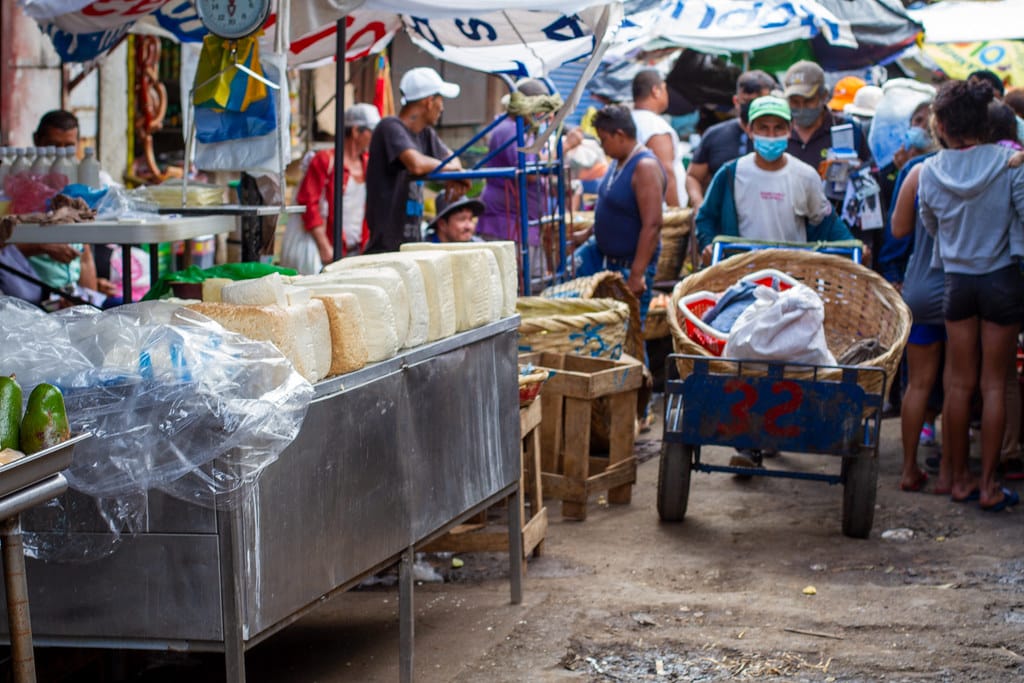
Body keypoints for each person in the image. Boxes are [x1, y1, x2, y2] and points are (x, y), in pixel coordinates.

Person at [917, 78, 1024, 511]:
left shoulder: (930, 171)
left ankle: (955, 478)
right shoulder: (1011, 164)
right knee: (995, 384)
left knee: (958, 384)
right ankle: (988, 486)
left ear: (940, 125)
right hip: (1001, 281)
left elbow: (929, 225)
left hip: (956, 283)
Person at [695, 96, 853, 263]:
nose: (771, 135)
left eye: (778, 128)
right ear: (750, 131)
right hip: (743, 273)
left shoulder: (805, 175)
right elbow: (706, 217)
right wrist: (707, 244)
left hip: (793, 274)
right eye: (763, 128)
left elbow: (825, 221)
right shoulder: (731, 173)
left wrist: (852, 246)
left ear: (789, 130)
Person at [573, 104, 665, 324]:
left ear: (620, 135)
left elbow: (652, 225)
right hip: (601, 256)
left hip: (628, 265)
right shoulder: (618, 161)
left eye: (604, 140)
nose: (603, 147)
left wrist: (636, 274)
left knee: (628, 333)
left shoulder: (645, 167)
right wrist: (586, 234)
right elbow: (614, 208)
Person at [364, 67, 469, 253]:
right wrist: (452, 172)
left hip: (411, 244)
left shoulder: (426, 134)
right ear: (429, 102)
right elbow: (417, 164)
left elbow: (454, 161)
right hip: (386, 247)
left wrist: (455, 172)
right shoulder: (389, 127)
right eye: (440, 100)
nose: (442, 108)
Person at [890, 149, 942, 493]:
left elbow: (899, 229)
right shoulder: (998, 166)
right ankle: (953, 473)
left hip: (922, 287)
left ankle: (909, 469)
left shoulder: (920, 172)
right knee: (960, 384)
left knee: (918, 383)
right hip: (969, 285)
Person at [15, 110, 100, 299]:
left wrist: (90, 305)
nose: (60, 155)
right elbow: (4, 248)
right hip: (30, 297)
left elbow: (85, 256)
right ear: (37, 140)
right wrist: (42, 246)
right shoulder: (18, 187)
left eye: (68, 147)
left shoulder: (76, 187)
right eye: (53, 147)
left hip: (70, 296)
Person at [476, 78, 551, 279]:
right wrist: (566, 148)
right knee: (519, 282)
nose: (542, 115)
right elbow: (529, 172)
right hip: (508, 225)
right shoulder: (509, 129)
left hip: (522, 224)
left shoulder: (522, 129)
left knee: (531, 280)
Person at [295, 103, 380, 264]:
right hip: (329, 252)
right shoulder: (325, 160)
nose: (375, 137)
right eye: (372, 132)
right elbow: (308, 203)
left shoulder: (368, 163)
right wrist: (323, 245)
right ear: (356, 131)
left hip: (359, 251)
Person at [685, 70, 776, 212]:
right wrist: (699, 205)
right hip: (721, 217)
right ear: (736, 101)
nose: (753, 107)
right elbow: (693, 176)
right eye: (747, 101)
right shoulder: (715, 135)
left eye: (758, 101)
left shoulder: (778, 138)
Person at [782, 61, 871, 174]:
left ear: (823, 96)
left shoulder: (847, 129)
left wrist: (857, 170)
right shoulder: (778, 130)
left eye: (808, 101)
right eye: (794, 102)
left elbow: (871, 173)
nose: (801, 108)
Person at [630, 69, 685, 207]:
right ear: (656, 91)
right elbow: (666, 172)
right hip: (660, 214)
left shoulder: (629, 119)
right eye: (665, 89)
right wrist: (676, 212)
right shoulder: (655, 126)